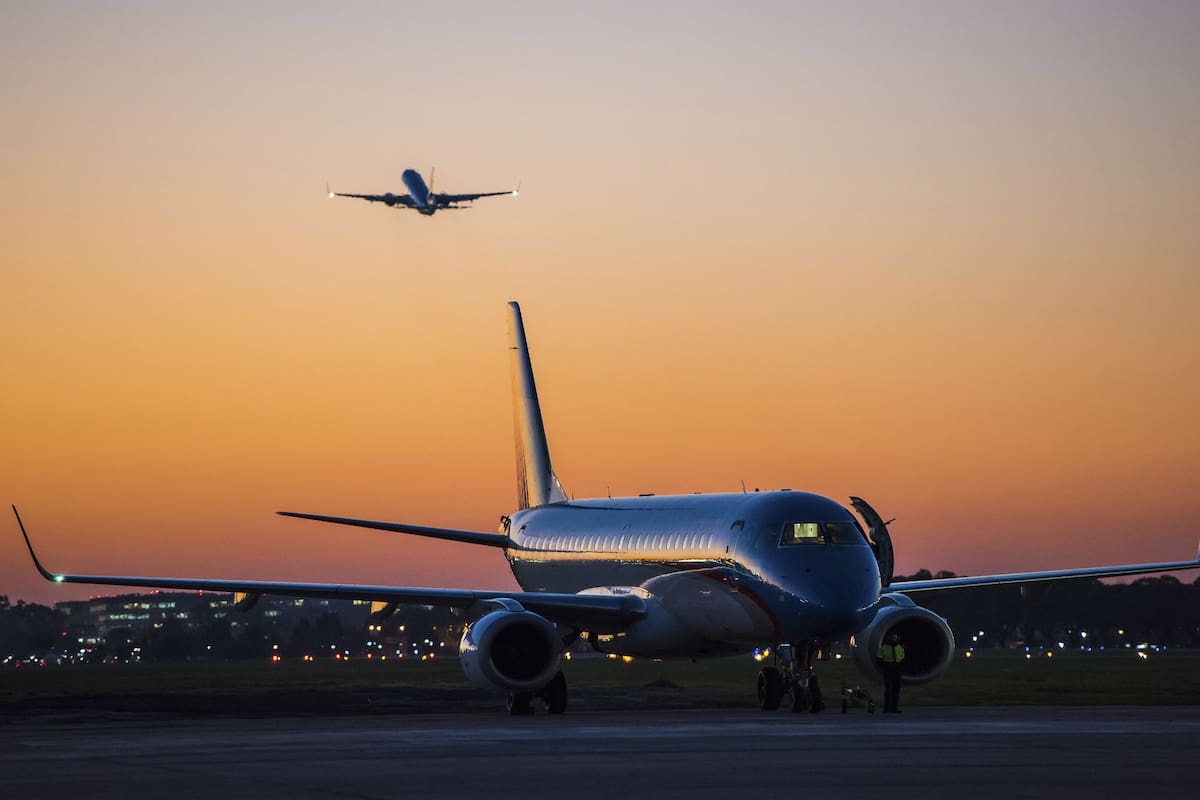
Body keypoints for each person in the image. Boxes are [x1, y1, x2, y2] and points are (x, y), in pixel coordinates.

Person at [877, 632, 906, 713]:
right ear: (889, 638)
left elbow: (903, 660)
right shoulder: (883, 648)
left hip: (897, 670)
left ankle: (894, 708)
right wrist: (885, 668)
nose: (894, 638)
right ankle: (886, 708)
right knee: (888, 690)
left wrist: (901, 669)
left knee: (896, 690)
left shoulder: (900, 648)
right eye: (892, 637)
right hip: (888, 669)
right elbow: (879, 660)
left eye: (895, 637)